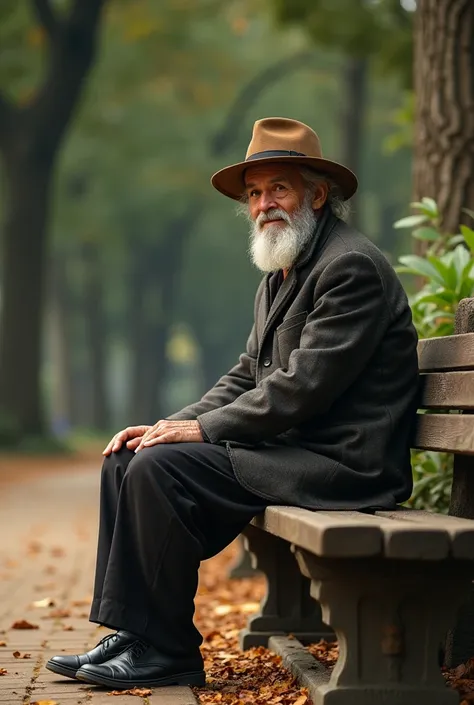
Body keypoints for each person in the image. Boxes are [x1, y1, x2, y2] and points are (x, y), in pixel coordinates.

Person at [46, 117, 419, 689]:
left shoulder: (350, 268)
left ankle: (167, 650)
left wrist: (200, 433)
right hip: (297, 450)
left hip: (345, 463)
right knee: (128, 456)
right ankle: (136, 631)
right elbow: (248, 373)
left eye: (279, 188)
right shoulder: (282, 271)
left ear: (318, 194)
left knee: (161, 467)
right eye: (253, 193)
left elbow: (302, 386)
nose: (264, 204)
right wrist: (174, 422)